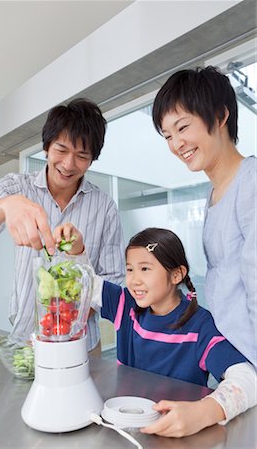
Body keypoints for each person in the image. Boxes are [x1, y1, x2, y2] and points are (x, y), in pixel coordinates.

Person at [54, 223, 257, 438]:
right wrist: (76, 250)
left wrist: (204, 411)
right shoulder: (125, 305)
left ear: (177, 274)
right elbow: (84, 283)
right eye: (130, 269)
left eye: (145, 269)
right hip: (127, 427)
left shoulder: (201, 326)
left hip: (178, 435)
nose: (134, 280)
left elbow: (247, 379)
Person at [0, 98, 125, 353]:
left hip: (81, 343)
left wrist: (67, 314)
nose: (69, 164)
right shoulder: (19, 186)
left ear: (92, 160)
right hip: (27, 340)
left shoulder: (104, 207)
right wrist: (7, 205)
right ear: (47, 147)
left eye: (82, 155)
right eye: (61, 150)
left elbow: (115, 280)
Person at [152, 66, 257, 369]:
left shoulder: (250, 182)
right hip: (230, 360)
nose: (176, 144)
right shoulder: (212, 194)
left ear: (221, 116)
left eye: (183, 128)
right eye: (167, 135)